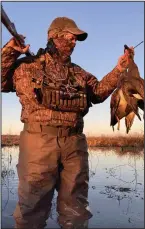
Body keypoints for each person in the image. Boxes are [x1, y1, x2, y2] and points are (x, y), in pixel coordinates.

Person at [1, 17, 134, 229]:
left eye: (76, 40)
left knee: (77, 210)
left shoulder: (79, 73)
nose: (73, 43)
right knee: (32, 210)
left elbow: (98, 94)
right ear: (55, 37)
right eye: (70, 37)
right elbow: (1, 81)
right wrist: (9, 52)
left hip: (75, 144)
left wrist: (119, 69)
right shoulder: (27, 66)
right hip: (39, 143)